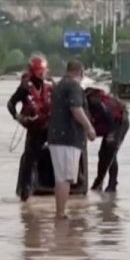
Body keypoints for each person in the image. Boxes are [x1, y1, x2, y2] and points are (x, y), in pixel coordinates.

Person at [46, 60, 96, 220]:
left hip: (56, 137)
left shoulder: (59, 85)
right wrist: (89, 128)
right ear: (80, 72)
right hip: (68, 139)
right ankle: (60, 214)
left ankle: (59, 212)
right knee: (65, 178)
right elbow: (76, 109)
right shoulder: (74, 87)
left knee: (61, 177)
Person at [7, 54, 55, 202]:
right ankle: (25, 193)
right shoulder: (25, 87)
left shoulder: (51, 84)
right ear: (34, 72)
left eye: (44, 71)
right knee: (30, 160)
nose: (44, 74)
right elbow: (11, 103)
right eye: (41, 71)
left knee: (57, 156)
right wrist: (18, 117)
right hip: (34, 128)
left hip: (51, 127)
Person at [86, 86, 129, 193]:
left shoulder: (92, 102)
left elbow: (108, 115)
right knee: (102, 154)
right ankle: (99, 183)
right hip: (112, 121)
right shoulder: (89, 99)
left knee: (110, 152)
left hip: (119, 122)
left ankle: (111, 185)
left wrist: (110, 134)